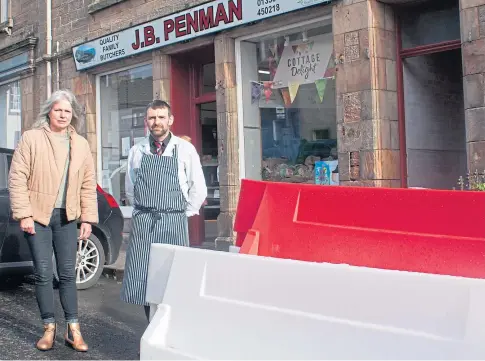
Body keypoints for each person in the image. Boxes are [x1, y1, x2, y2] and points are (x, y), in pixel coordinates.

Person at [8, 90, 98, 352]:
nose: (63, 114)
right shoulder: (31, 138)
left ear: (73, 115)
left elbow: (87, 183)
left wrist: (87, 219)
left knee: (68, 274)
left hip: (68, 217)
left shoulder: (80, 143)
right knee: (43, 274)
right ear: (49, 111)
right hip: (38, 217)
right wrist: (24, 214)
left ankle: (73, 329)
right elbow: (17, 178)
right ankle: (49, 327)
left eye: (68, 111)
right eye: (58, 110)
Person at [122, 100, 207, 322]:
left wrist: (180, 214)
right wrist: (145, 208)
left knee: (172, 278)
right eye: (152, 118)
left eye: (161, 117)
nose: (156, 122)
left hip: (173, 221)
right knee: (144, 279)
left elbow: (198, 188)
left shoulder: (185, 149)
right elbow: (131, 188)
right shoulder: (136, 151)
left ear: (170, 120)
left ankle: (170, 331)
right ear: (146, 122)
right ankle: (151, 332)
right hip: (144, 223)